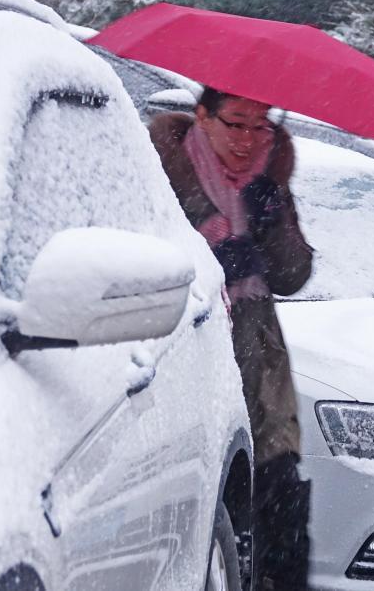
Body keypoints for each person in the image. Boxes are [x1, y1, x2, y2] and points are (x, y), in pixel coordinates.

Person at [149, 87, 313, 590]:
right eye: (235, 122)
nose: (248, 139)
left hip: (259, 350)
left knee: (278, 488)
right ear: (203, 115)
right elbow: (146, 254)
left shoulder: (268, 175)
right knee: (214, 497)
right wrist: (211, 256)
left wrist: (271, 222)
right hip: (190, 342)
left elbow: (291, 275)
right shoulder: (162, 172)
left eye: (259, 125)